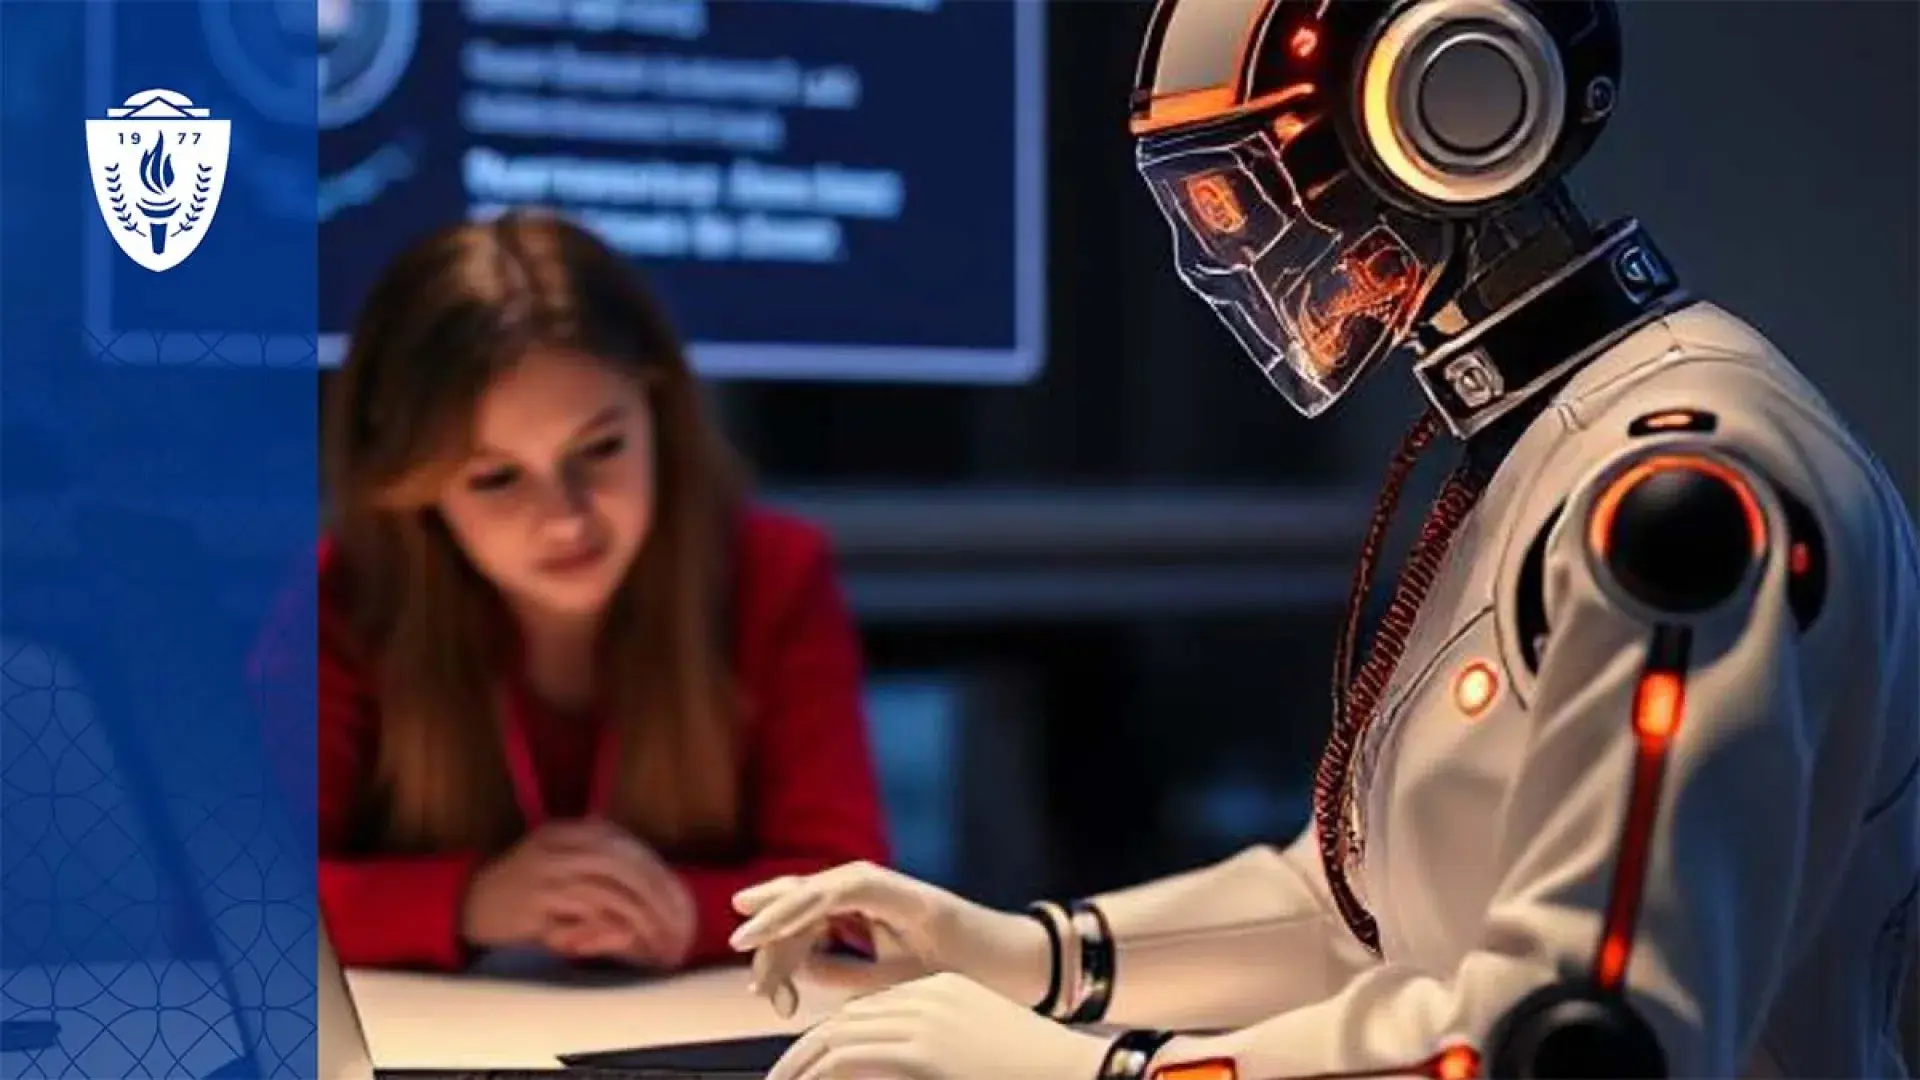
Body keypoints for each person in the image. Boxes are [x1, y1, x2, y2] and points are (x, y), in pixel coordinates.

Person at [727, 1, 1920, 1077]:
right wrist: (1019, 953)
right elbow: (1357, 908)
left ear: (1453, 116)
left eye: (1242, 196)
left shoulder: (1679, 490)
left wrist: (1100, 1074)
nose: (1228, 254)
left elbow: (1590, 1035)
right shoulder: (1547, 442)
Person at [302, 209, 889, 973]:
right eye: (497, 477)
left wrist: (689, 915)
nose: (565, 518)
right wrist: (470, 900)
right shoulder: (345, 596)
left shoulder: (773, 573)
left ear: (659, 410)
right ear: (417, 488)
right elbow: (233, 906)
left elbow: (860, 902)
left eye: (601, 448)